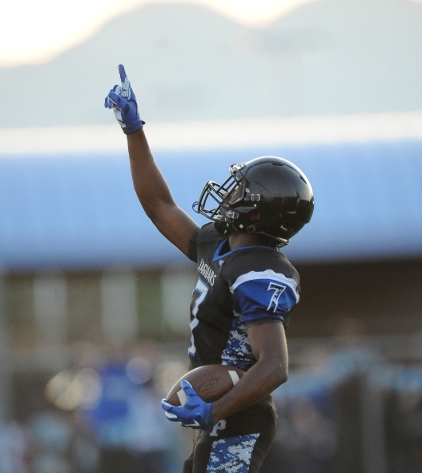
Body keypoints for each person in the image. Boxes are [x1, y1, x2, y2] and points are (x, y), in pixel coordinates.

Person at [104, 65, 315, 473]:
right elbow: (159, 205)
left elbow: (274, 365)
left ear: (257, 212)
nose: (228, 193)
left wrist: (213, 409)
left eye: (240, 190)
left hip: (240, 417)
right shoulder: (218, 244)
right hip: (220, 415)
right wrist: (134, 131)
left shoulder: (261, 270)